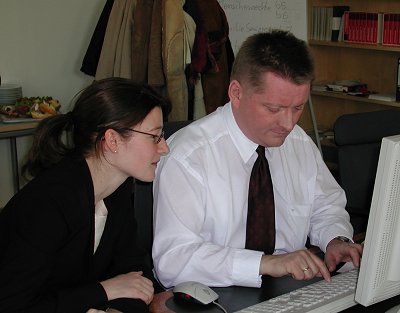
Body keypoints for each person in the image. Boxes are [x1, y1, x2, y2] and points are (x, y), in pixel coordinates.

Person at [152, 30, 363, 289]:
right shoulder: (189, 156)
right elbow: (172, 261)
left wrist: (335, 239)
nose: (288, 124)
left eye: (298, 108)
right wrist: (265, 263)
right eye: (274, 109)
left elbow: (325, 207)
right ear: (236, 93)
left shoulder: (298, 143)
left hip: (289, 288)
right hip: (214, 294)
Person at [0, 77, 170, 312]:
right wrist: (104, 290)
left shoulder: (117, 191)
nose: (165, 147)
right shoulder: (47, 204)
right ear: (112, 140)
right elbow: (13, 305)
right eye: (155, 136)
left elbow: (135, 277)